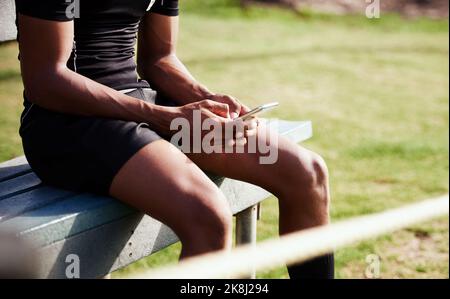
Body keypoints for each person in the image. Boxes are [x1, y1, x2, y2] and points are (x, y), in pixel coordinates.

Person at [15, 0, 333, 278]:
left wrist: (206, 100)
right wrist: (167, 118)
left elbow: (159, 58)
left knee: (306, 172)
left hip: (144, 105)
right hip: (68, 122)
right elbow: (46, 79)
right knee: (207, 215)